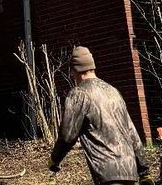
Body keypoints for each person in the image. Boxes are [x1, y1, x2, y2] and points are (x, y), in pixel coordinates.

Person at [49, 47, 153, 185]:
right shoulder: (113, 91)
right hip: (129, 171)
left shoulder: (79, 94)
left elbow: (67, 136)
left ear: (74, 71)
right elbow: (131, 132)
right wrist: (144, 171)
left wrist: (54, 159)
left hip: (106, 172)